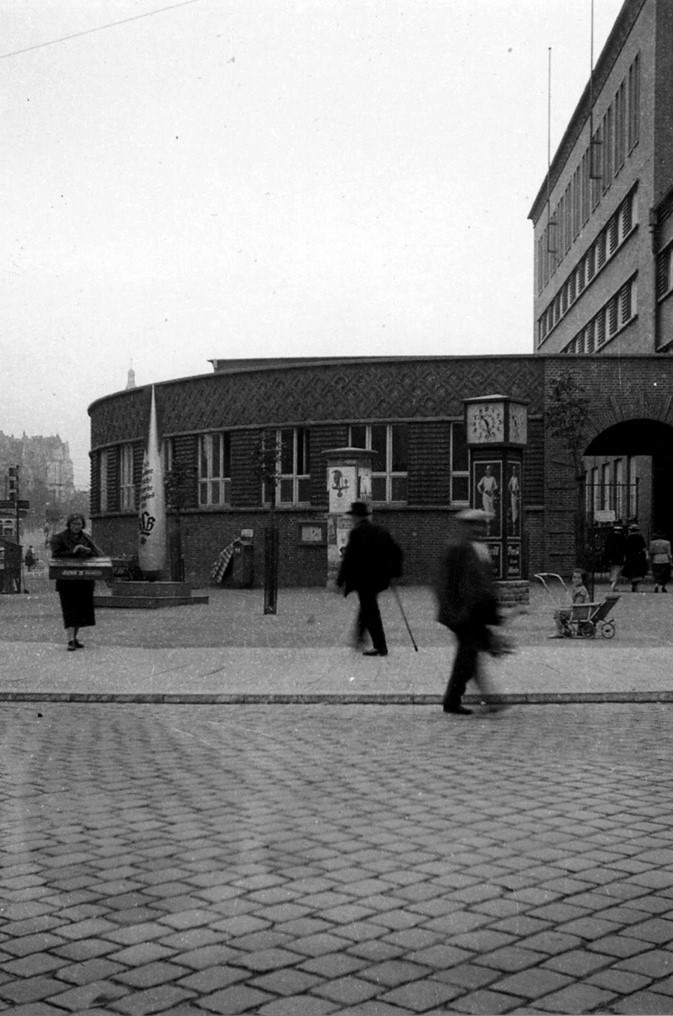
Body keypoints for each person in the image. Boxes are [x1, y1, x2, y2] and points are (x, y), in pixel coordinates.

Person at [434, 508, 508, 715]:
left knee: (470, 656)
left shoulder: (481, 548)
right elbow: (442, 583)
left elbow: (486, 583)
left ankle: (467, 699)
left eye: (482, 525)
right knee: (468, 656)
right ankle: (461, 700)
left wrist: (494, 611)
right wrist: (453, 612)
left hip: (477, 612)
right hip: (463, 613)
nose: (479, 529)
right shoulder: (456, 549)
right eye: (474, 525)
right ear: (465, 527)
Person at [337, 501, 403, 657]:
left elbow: (349, 559)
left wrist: (340, 580)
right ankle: (360, 638)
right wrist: (393, 573)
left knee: (370, 610)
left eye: (353, 516)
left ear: (357, 517)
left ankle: (380, 646)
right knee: (367, 608)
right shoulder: (380, 530)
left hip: (364, 579)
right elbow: (396, 552)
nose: (352, 519)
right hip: (379, 579)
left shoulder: (357, 533)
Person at [50, 513, 104, 651]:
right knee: (69, 609)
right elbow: (56, 555)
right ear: (69, 524)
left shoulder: (86, 537)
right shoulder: (60, 537)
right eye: (74, 524)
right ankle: (70, 640)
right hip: (67, 579)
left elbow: (97, 554)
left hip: (84, 579)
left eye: (79, 524)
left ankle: (74, 638)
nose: (76, 527)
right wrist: (72, 551)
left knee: (81, 610)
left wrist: (87, 551)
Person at [553, 568, 591, 636]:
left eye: (579, 578)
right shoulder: (579, 588)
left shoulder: (581, 590)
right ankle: (566, 629)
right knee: (561, 610)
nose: (576, 579)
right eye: (574, 577)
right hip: (580, 612)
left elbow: (577, 604)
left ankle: (559, 631)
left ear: (583, 579)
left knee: (557, 612)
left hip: (578, 613)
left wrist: (569, 606)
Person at [623, 523, 648, 593]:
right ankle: (635, 584)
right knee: (638, 571)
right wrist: (646, 555)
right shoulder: (640, 537)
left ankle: (633, 583)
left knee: (631, 571)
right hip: (638, 556)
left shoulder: (627, 538)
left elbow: (625, 548)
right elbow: (643, 547)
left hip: (630, 556)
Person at [603, 523, 626, 592]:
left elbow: (606, 547)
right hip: (619, 557)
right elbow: (624, 548)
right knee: (617, 571)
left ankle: (613, 583)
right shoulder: (622, 537)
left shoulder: (610, 537)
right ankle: (613, 583)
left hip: (610, 557)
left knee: (612, 570)